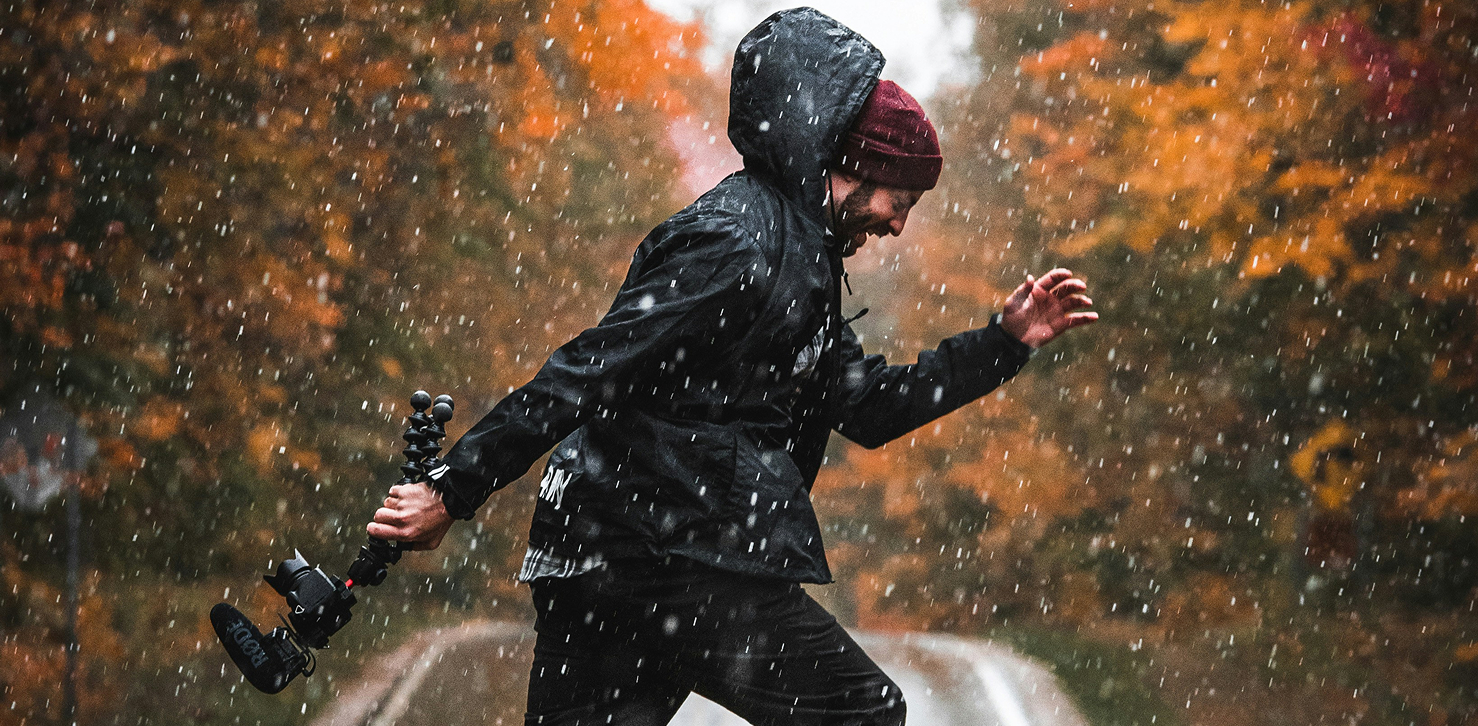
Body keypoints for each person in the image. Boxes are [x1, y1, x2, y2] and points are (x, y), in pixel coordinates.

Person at [368, 8, 1095, 725]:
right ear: (849, 166)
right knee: (860, 714)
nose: (897, 223)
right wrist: (452, 490)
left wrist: (1003, 343)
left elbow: (868, 407)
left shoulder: (801, 259)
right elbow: (591, 368)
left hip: (614, 555)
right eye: (896, 200)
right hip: (679, 556)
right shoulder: (740, 241)